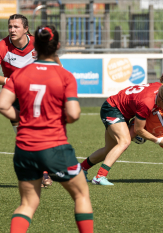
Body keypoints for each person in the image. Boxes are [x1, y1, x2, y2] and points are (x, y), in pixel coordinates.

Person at [0, 26, 93, 233]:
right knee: (81, 195)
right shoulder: (64, 76)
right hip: (54, 146)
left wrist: (24, 119)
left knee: (27, 204)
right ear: (57, 46)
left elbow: (3, 105)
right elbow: (74, 114)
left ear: (35, 46)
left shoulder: (20, 74)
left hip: (24, 148)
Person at [0, 14, 62, 187]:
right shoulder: (2, 46)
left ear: (26, 29)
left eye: (16, 27)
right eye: (10, 26)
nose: (12, 30)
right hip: (13, 95)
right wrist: (9, 81)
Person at [80, 82, 163, 185]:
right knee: (124, 142)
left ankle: (80, 170)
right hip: (112, 109)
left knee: (109, 149)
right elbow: (139, 130)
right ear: (161, 100)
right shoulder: (147, 103)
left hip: (121, 110)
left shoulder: (162, 88)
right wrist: (157, 140)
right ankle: (100, 176)